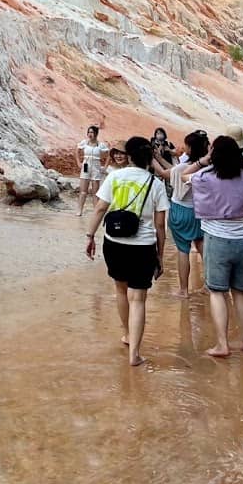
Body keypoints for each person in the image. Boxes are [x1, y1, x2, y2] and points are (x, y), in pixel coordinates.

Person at [85, 136, 169, 366]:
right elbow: (160, 225)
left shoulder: (115, 176)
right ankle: (135, 355)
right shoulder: (156, 184)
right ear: (149, 158)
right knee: (139, 299)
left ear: (129, 156)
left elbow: (100, 207)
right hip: (143, 246)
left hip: (114, 243)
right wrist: (160, 255)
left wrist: (90, 236)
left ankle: (126, 334)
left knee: (121, 291)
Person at [190, 135, 243, 357]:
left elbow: (185, 175)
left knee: (217, 292)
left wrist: (205, 159)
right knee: (240, 292)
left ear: (215, 154)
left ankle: (222, 344)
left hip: (217, 239)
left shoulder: (204, 178)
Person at [165, 130, 210, 298]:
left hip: (180, 210)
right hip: (200, 211)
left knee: (183, 250)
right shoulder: (210, 168)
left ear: (190, 148)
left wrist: (153, 158)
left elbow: (165, 174)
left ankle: (184, 290)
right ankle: (209, 285)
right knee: (202, 247)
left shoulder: (182, 168)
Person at [76, 125, 110, 217]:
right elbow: (77, 151)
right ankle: (79, 210)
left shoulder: (101, 145)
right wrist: (79, 162)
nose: (90, 134)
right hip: (86, 164)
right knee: (83, 190)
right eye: (89, 132)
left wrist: (105, 167)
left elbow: (108, 155)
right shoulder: (84, 143)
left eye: (92, 132)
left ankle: (96, 211)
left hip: (96, 166)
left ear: (96, 134)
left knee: (95, 191)